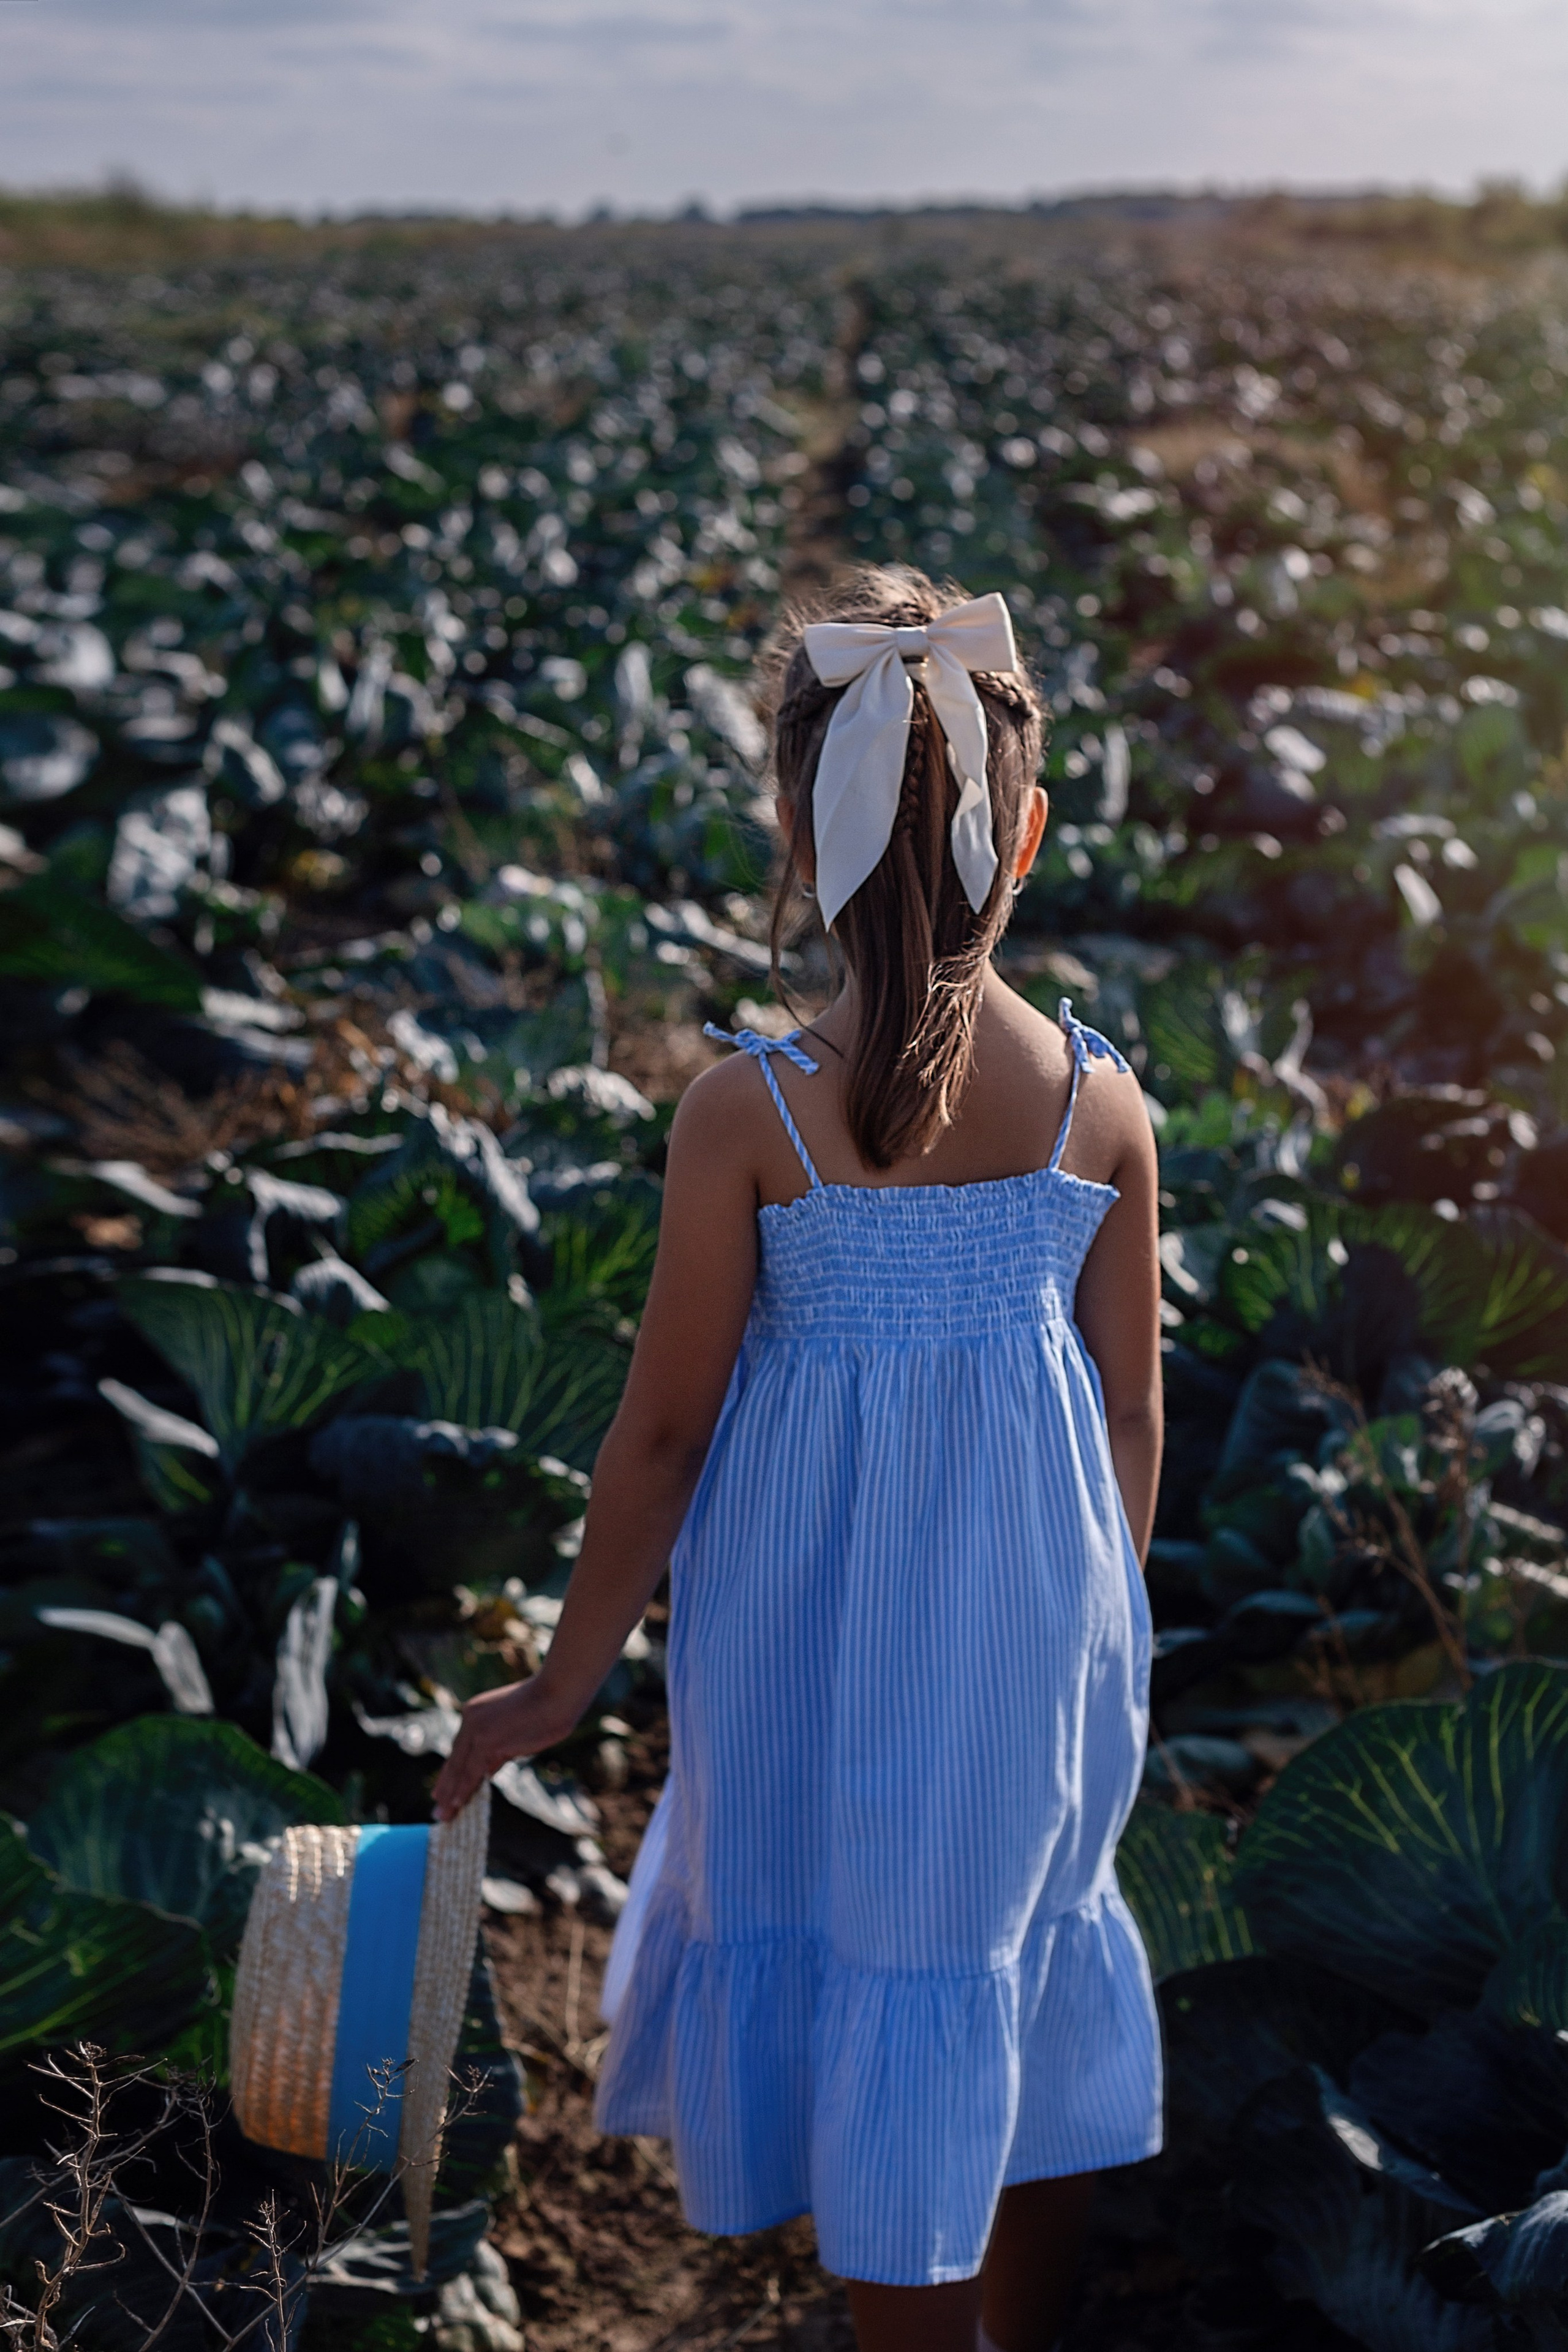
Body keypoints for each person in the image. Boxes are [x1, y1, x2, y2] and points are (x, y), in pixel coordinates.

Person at [434, 566, 1164, 2352]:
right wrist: (1091, 1625)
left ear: (795, 823)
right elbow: (1134, 1410)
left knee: (880, 1984)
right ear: (1032, 831)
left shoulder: (748, 1117)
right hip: (1038, 1659)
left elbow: (665, 1436)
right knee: (1012, 1960)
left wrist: (559, 1685)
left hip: (812, 1658)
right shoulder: (1099, 1096)